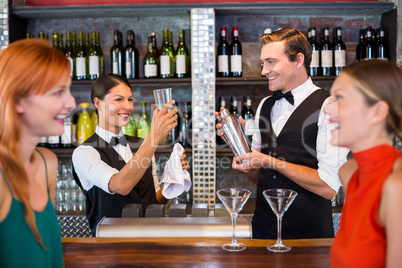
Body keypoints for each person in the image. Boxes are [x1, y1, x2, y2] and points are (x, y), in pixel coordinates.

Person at [217, 28, 349, 239]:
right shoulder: (264, 106)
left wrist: (269, 161)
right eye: (263, 63)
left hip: (309, 239)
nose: (263, 71)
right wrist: (239, 146)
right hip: (263, 232)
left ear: (298, 60)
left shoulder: (329, 106)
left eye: (271, 62)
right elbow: (256, 178)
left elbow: (328, 188)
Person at [72, 74, 190, 236]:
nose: (127, 106)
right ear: (98, 103)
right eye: (119, 99)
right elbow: (120, 185)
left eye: (130, 99)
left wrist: (172, 181)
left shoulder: (142, 145)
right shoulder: (84, 153)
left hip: (149, 241)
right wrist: (153, 137)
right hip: (110, 247)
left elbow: (153, 201)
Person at [0, 39, 76, 267]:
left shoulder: (46, 164)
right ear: (18, 100)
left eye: (69, 90)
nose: (71, 102)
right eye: (58, 92)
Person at [326, 60, 402, 267]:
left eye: (339, 98)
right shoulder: (349, 173)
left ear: (377, 111)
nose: (327, 110)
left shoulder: (397, 185)